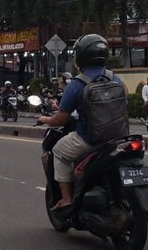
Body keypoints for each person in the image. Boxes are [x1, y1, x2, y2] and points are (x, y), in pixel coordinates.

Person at [37, 33, 125, 214]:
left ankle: (66, 199)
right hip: (118, 138)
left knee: (58, 151)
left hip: (89, 139)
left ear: (81, 57)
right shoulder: (116, 79)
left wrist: (45, 120)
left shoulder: (77, 84)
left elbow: (61, 119)